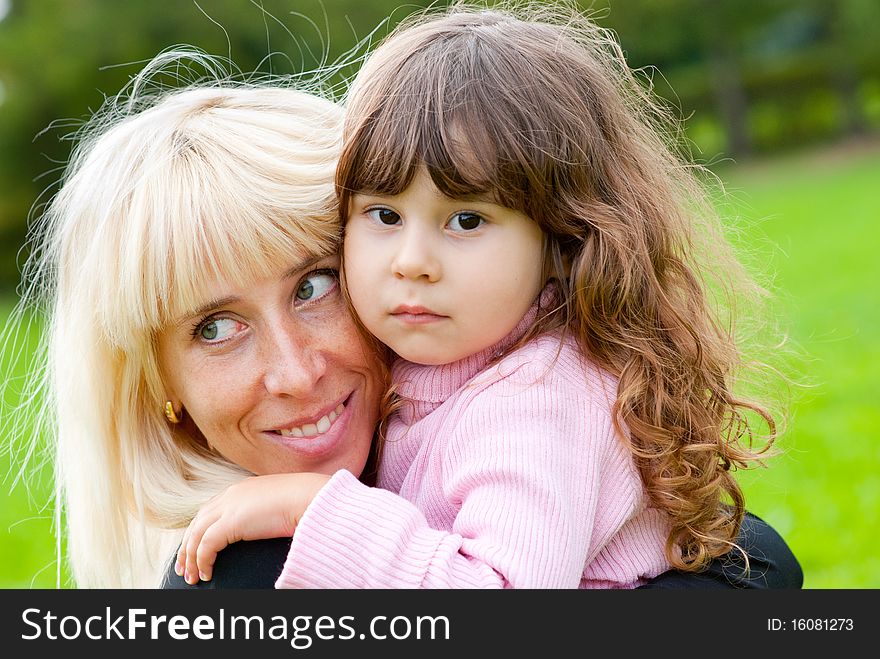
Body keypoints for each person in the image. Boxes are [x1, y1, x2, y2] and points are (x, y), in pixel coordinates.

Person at [174, 1, 792, 589]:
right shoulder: (428, 366)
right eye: (384, 214)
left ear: (560, 240)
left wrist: (318, 509)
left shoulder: (537, 396)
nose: (412, 262)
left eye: (465, 220)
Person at [3, 53, 385, 588]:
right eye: (216, 328)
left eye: (314, 286)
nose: (297, 374)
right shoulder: (251, 574)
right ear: (159, 384)